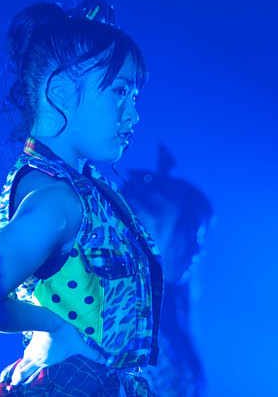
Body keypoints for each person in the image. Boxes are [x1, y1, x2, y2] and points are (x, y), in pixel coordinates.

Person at [0, 0, 163, 397]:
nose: (133, 114)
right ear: (60, 91)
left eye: (134, 96)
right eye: (119, 91)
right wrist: (53, 326)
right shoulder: (57, 202)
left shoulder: (82, 192)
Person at [120, 146, 213, 397]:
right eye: (191, 231)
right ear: (141, 222)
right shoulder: (111, 318)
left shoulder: (164, 318)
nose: (197, 248)